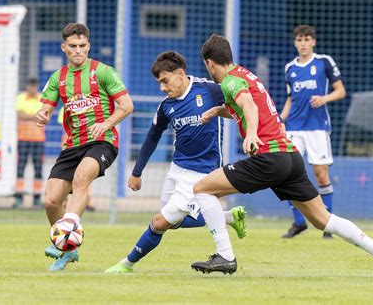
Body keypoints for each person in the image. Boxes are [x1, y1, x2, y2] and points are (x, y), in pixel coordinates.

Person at [189, 34, 373, 279]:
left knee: (202, 189)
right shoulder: (244, 75)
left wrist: (250, 135)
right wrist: (218, 110)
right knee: (324, 220)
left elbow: (249, 106)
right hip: (290, 157)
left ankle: (225, 255)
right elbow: (241, 106)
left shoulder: (229, 82)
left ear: (209, 63)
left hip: (267, 158)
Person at [105, 51, 246, 273]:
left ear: (180, 73)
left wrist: (252, 135)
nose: (162, 88)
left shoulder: (209, 90)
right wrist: (137, 171)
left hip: (203, 173)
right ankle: (228, 217)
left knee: (159, 222)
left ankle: (126, 264)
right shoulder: (166, 107)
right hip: (177, 169)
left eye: (165, 81)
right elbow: (153, 136)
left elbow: (242, 106)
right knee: (172, 222)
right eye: (159, 83)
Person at [35, 23, 134, 271]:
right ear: (64, 48)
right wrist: (43, 115)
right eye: (72, 47)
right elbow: (45, 108)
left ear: (88, 46)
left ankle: (66, 235)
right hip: (72, 145)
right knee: (50, 200)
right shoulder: (58, 78)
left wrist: (106, 123)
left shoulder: (103, 72)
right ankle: (68, 249)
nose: (78, 51)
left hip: (103, 141)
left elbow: (126, 105)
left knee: (81, 179)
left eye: (82, 46)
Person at [280, 25, 346, 239]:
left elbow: (341, 91)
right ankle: (299, 222)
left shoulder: (324, 62)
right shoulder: (290, 68)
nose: (303, 43)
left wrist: (323, 99)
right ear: (295, 43)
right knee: (287, 174)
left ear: (313, 42)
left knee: (320, 174)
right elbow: (290, 98)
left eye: (307, 39)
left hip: (317, 127)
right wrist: (280, 120)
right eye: (299, 39)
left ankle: (327, 224)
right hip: (294, 129)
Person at [13, 77, 45, 209]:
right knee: (20, 168)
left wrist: (28, 116)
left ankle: (36, 198)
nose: (32, 88)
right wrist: (35, 116)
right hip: (23, 138)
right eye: (30, 86)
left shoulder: (42, 98)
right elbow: (20, 115)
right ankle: (19, 197)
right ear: (27, 87)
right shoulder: (21, 98)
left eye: (34, 86)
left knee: (38, 169)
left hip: (38, 139)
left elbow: (44, 115)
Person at [57, 107, 95, 211]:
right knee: (68, 176)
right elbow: (66, 125)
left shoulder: (88, 106)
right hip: (70, 146)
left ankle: (86, 200)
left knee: (84, 174)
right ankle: (64, 200)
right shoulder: (66, 107)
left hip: (86, 144)